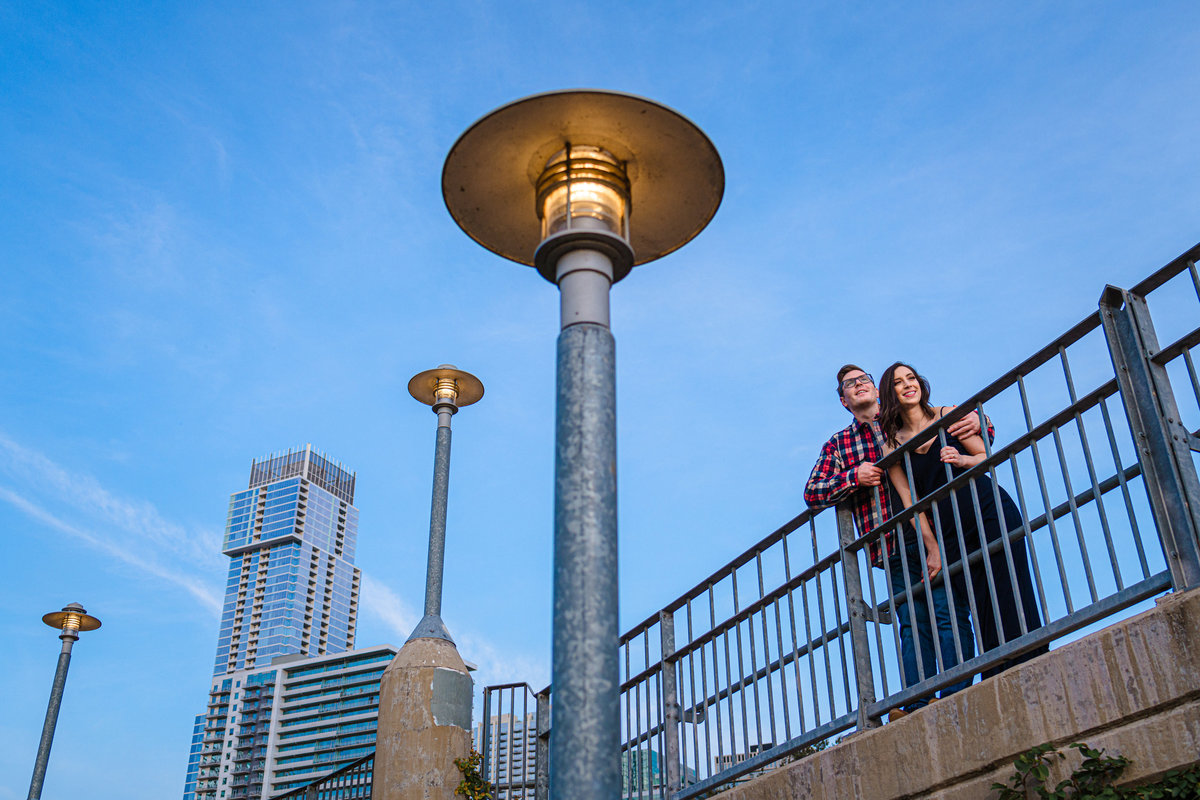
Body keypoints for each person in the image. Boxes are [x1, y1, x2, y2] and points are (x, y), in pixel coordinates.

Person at [805, 364, 984, 718]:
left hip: (936, 527)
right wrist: (853, 476)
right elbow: (813, 492)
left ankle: (953, 688)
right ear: (844, 401)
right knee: (911, 620)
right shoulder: (840, 444)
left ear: (875, 387)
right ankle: (917, 699)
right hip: (891, 541)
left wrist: (980, 420)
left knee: (948, 609)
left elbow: (963, 425)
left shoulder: (904, 417)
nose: (858, 386)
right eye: (849, 385)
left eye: (863, 379)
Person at [877, 361, 1047, 679]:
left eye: (911, 378)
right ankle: (999, 669)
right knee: (978, 596)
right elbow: (910, 503)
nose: (907, 384)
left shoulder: (947, 415)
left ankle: (1034, 657)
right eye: (899, 382)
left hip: (988, 508)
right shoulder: (891, 446)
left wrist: (962, 458)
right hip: (948, 529)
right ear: (891, 393)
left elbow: (987, 457)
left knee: (1012, 585)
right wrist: (932, 547)